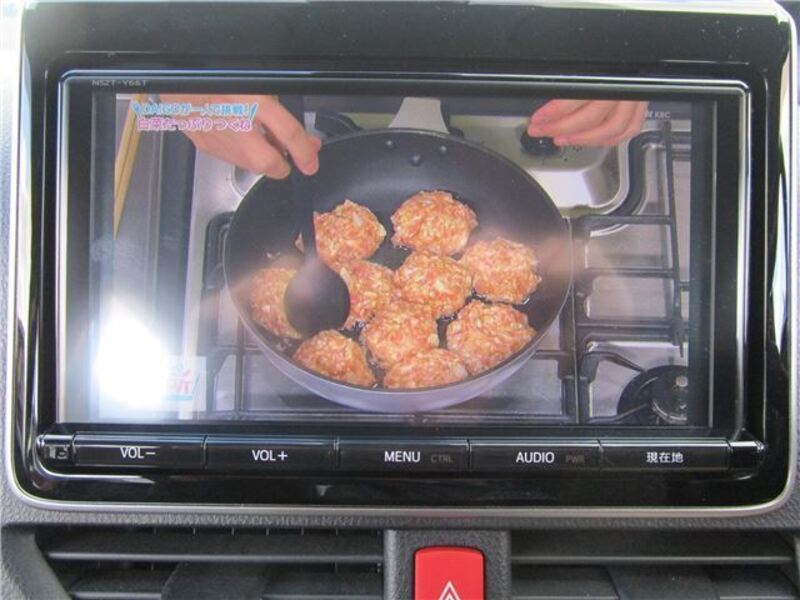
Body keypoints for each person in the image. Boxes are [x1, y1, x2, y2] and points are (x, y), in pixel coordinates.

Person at [162, 94, 646, 178]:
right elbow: (145, 110)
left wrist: (641, 38)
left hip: (537, 91)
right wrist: (169, 95)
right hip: (269, 98)